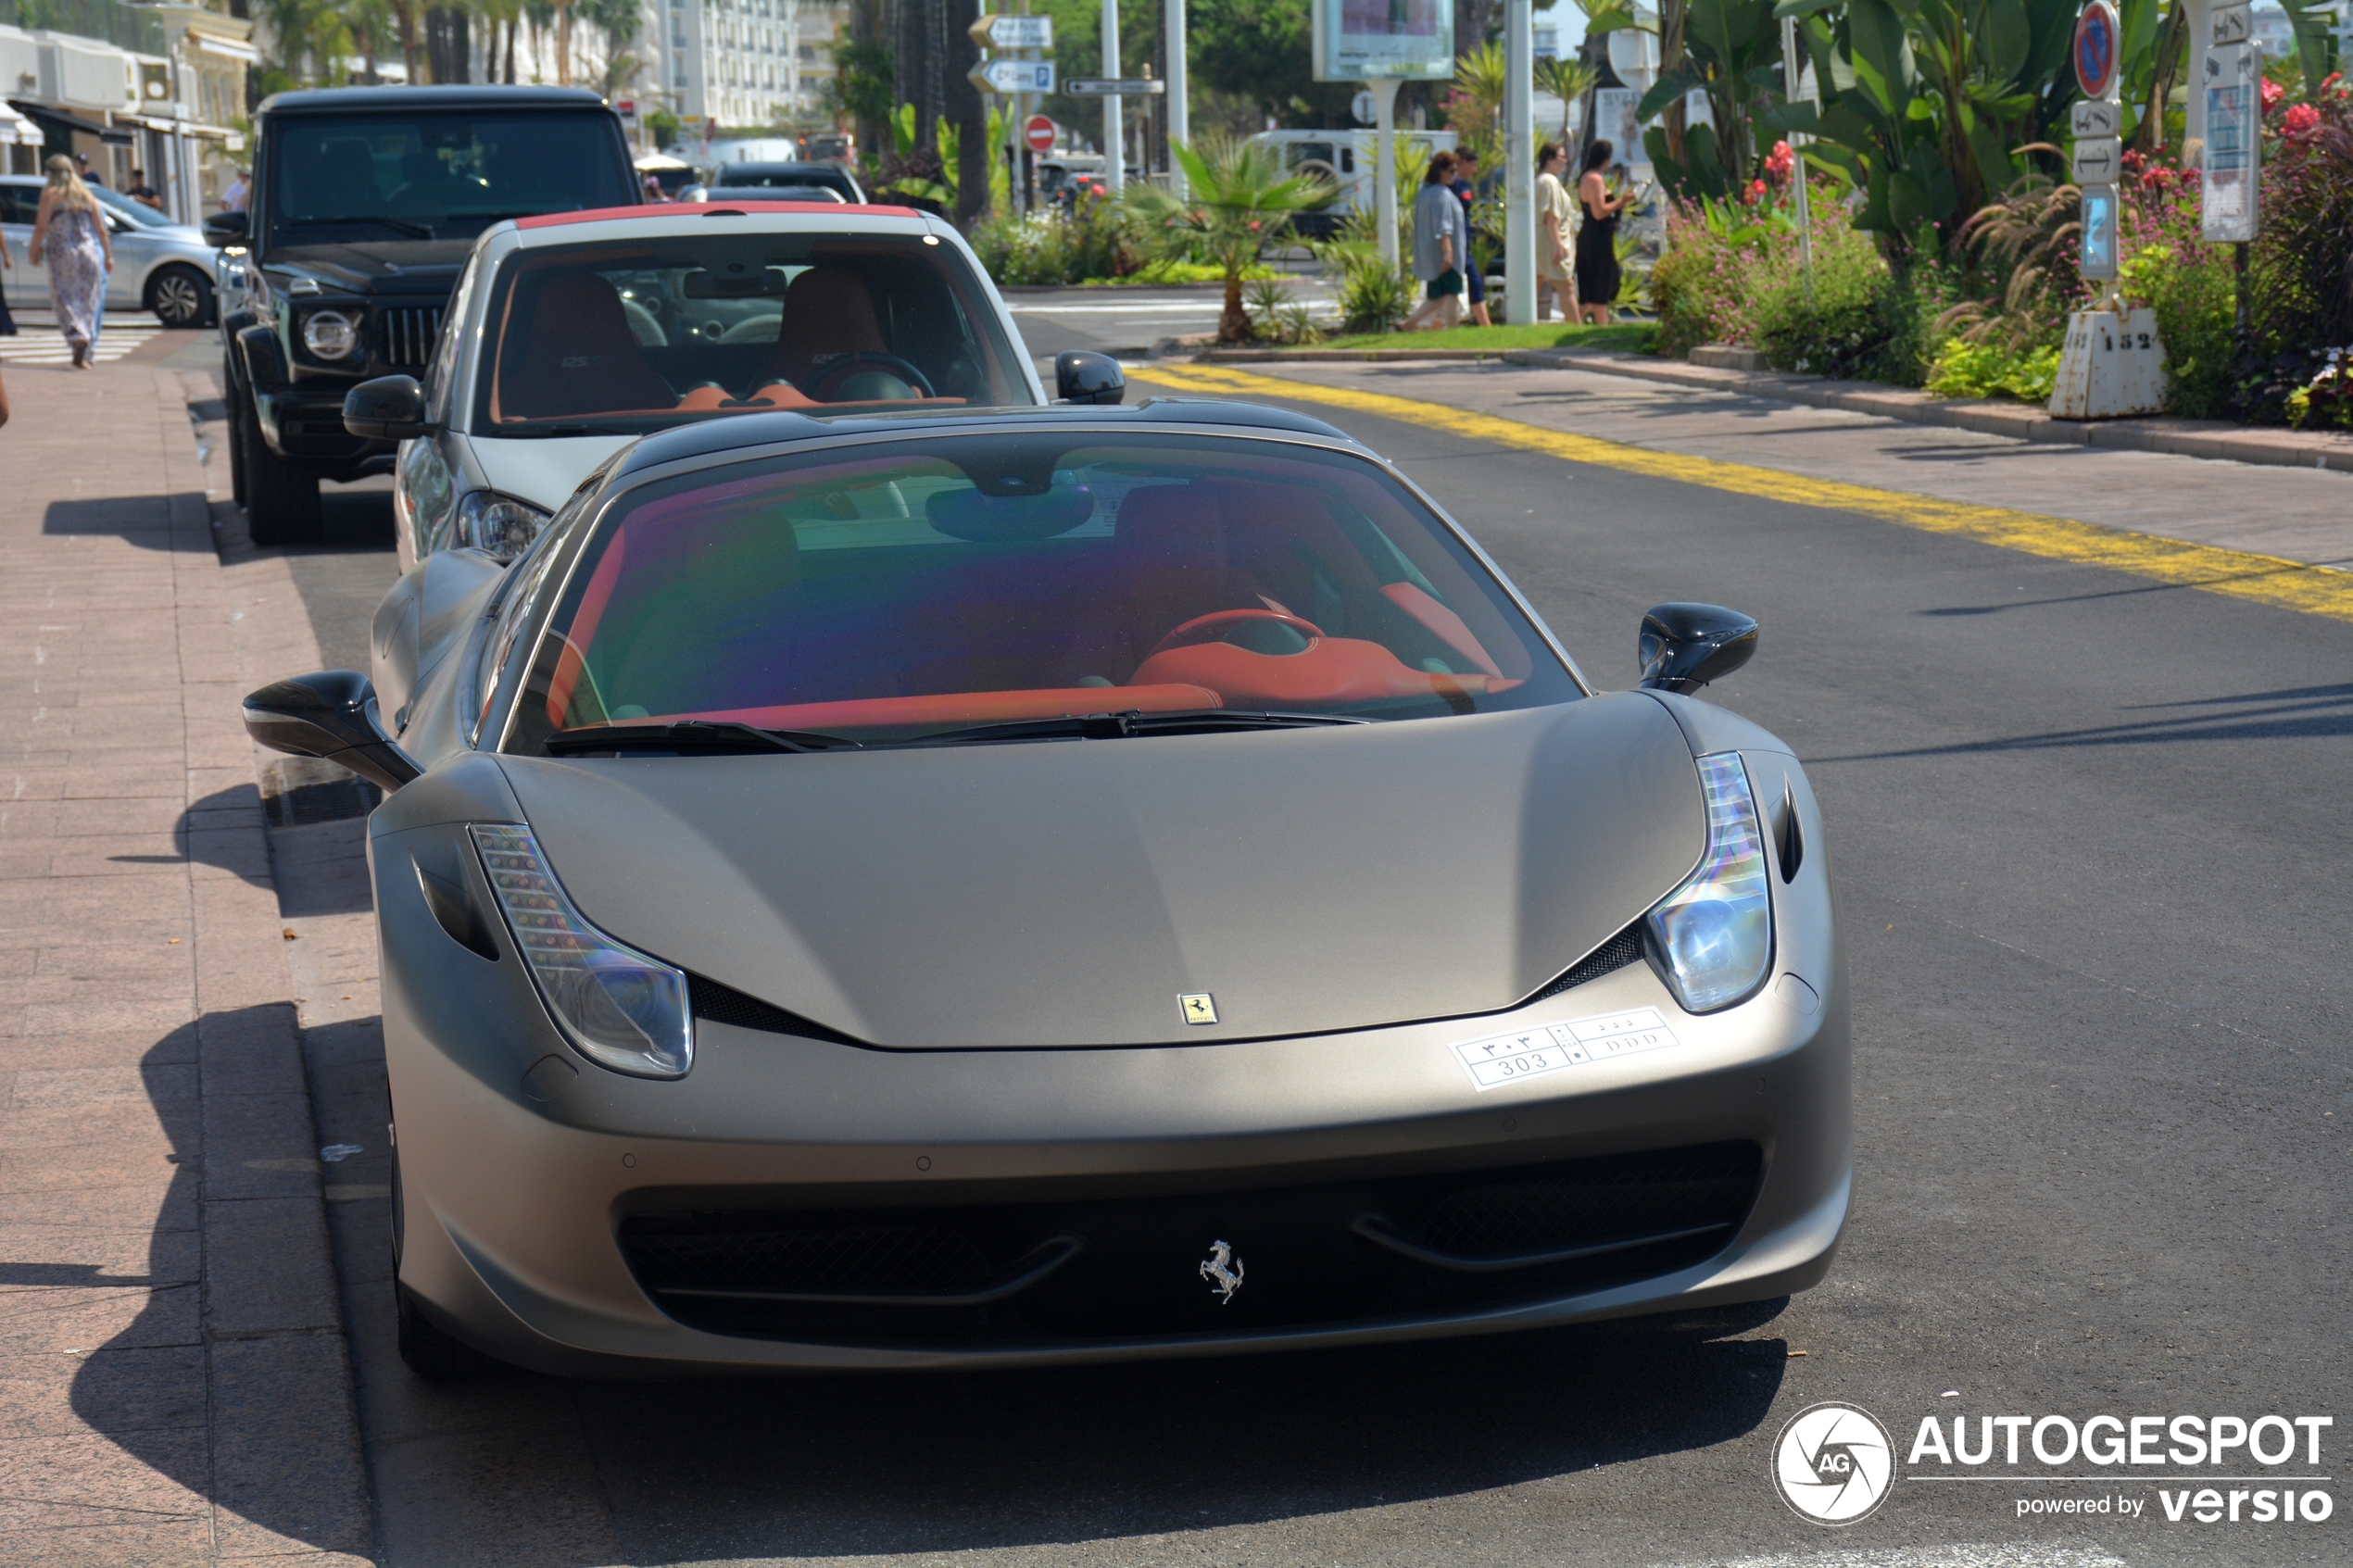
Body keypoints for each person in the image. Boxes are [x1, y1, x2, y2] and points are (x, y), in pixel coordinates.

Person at [30, 155, 113, 370]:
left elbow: (41, 227)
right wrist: (108, 256)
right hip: (89, 252)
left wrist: (34, 250)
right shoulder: (85, 194)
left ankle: (77, 337)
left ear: (50, 174)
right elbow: (101, 229)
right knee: (88, 301)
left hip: (62, 253)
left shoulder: (51, 195)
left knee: (64, 297)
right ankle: (88, 352)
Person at [1574, 140, 1642, 326]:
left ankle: (1576, 321)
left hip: (1596, 237)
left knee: (1601, 283)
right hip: (1596, 238)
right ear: (1606, 159)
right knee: (1600, 283)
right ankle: (1600, 326)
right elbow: (1599, 211)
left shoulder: (1588, 177)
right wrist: (1621, 201)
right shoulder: (1594, 179)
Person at [1400, 151, 1466, 333]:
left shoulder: (1425, 192)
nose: (1455, 174)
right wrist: (1448, 253)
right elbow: (1444, 226)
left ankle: (1409, 324)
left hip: (1430, 253)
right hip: (1444, 254)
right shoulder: (1442, 194)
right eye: (1452, 170)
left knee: (1437, 296)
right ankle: (1453, 331)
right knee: (1452, 292)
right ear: (1441, 171)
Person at [1532, 141, 1577, 323]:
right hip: (1549, 240)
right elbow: (1551, 217)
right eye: (1561, 157)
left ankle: (1525, 325)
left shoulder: (1540, 180)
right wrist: (1557, 245)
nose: (1565, 161)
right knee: (1566, 286)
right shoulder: (1549, 181)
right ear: (1549, 159)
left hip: (1541, 239)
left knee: (1535, 283)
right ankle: (1576, 328)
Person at [1450, 147, 1491, 329]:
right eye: (1472, 165)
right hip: (1455, 240)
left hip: (1464, 240)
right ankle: (1485, 326)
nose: (1475, 170)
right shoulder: (1451, 185)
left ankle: (1485, 326)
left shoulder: (1463, 184)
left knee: (1472, 282)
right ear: (1462, 162)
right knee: (1469, 282)